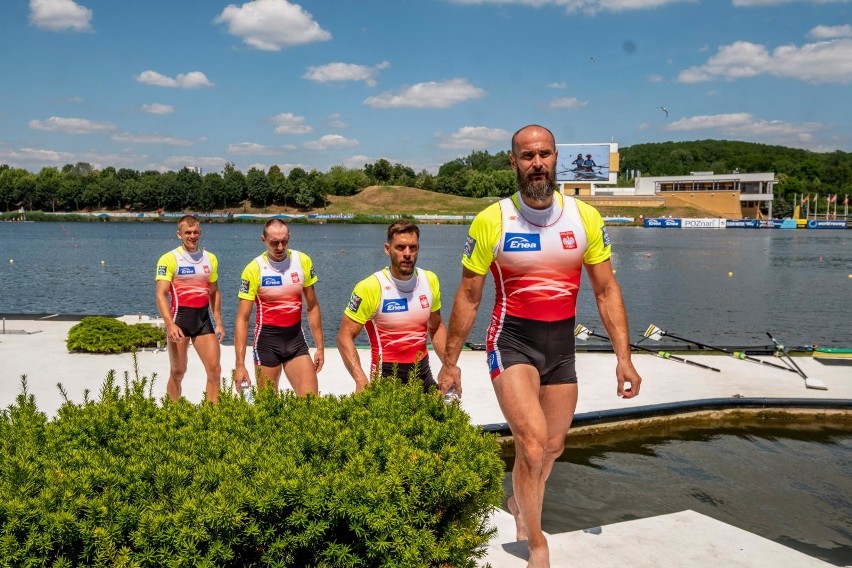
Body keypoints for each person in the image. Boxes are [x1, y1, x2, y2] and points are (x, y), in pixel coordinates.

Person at [437, 125, 642, 567]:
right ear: (513, 162)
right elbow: (469, 297)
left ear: (556, 159)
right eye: (527, 156)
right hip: (511, 341)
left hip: (561, 348)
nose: (537, 163)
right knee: (530, 445)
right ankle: (536, 542)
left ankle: (519, 502)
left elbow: (606, 291)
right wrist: (450, 362)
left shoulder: (584, 217)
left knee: (551, 447)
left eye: (544, 154)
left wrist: (624, 358)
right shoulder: (492, 219)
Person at [337, 220, 447, 393]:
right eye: (400, 247)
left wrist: (449, 365)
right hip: (386, 377)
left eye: (413, 247)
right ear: (388, 249)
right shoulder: (370, 287)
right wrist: (360, 379)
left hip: (423, 374)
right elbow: (344, 336)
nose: (407, 254)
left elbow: (436, 326)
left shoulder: (430, 280)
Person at [234, 219, 324, 396]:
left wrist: (320, 347)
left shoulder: (302, 261)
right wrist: (239, 364)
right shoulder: (254, 269)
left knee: (310, 404)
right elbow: (242, 319)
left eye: (284, 241)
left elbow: (312, 306)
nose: (280, 247)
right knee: (268, 408)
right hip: (267, 342)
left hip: (296, 340)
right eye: (274, 242)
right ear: (263, 240)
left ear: (289, 237)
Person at [155, 214, 224, 402]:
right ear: (179, 234)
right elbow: (161, 294)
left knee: (215, 371)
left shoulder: (210, 259)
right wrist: (169, 324)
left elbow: (214, 292)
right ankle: (173, 414)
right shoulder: (169, 259)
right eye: (188, 232)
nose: (192, 236)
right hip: (180, 321)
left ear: (200, 233)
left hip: (203, 321)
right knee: (178, 371)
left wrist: (218, 322)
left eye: (195, 232)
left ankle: (213, 418)